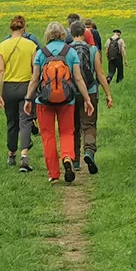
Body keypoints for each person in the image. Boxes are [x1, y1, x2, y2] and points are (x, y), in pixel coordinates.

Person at [25, 22, 92, 183]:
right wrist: (87, 99)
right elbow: (78, 78)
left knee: (48, 136)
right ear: (63, 34)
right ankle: (68, 157)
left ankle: (54, 174)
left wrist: (28, 99)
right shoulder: (70, 52)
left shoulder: (41, 52)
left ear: (47, 35)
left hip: (44, 100)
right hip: (66, 100)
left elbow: (35, 79)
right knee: (67, 132)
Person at [0, 15, 37, 171]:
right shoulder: (31, 45)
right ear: (24, 28)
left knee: (11, 122)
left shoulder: (2, 46)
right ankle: (24, 156)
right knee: (25, 120)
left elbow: (0, 71)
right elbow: (35, 69)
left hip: (8, 87)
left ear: (10, 28)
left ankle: (11, 153)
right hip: (25, 86)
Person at [69, 20, 111, 174]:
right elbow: (99, 74)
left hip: (72, 93)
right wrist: (108, 94)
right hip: (91, 91)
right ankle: (89, 152)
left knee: (73, 127)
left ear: (71, 33)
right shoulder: (93, 50)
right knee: (89, 124)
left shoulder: (66, 50)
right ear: (84, 33)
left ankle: (74, 161)